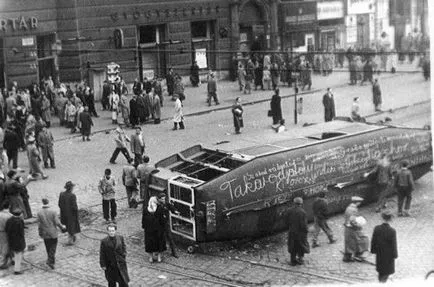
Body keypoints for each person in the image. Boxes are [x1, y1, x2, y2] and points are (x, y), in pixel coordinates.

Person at [37, 198, 66, 269]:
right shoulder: (53, 211)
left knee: (48, 247)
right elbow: (57, 222)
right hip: (53, 232)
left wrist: (40, 232)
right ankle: (50, 261)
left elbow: (39, 224)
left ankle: (51, 261)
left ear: (42, 203)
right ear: (48, 202)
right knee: (53, 247)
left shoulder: (39, 213)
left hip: (44, 232)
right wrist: (62, 227)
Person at [371, 210, 398, 283]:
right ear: (390, 219)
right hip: (388, 256)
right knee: (386, 272)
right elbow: (393, 245)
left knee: (381, 272)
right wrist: (395, 255)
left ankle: (381, 281)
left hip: (380, 254)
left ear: (382, 218)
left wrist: (373, 250)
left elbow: (373, 241)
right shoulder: (392, 231)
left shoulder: (377, 228)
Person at [142, 193, 167, 263]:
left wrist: (163, 226)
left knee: (159, 243)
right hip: (149, 230)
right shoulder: (146, 210)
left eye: (154, 203)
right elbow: (143, 219)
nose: (153, 204)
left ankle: (159, 256)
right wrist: (144, 226)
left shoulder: (160, 208)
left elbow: (162, 219)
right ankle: (151, 257)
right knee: (150, 244)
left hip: (158, 229)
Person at [343, 196, 369, 262]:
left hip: (347, 227)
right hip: (351, 228)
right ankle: (348, 257)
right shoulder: (353, 210)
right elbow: (352, 220)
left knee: (349, 242)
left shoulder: (348, 208)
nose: (360, 204)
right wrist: (358, 226)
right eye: (359, 202)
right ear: (357, 202)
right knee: (353, 242)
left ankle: (350, 255)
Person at [286, 197, 309, 266]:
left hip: (292, 231)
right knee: (300, 245)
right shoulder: (302, 212)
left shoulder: (289, 210)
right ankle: (300, 259)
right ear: (301, 204)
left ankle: (292, 261)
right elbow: (304, 224)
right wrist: (306, 231)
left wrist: (289, 226)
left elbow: (285, 220)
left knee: (292, 245)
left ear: (294, 203)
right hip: (300, 233)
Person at [58, 181, 81, 245]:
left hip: (63, 214)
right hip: (71, 214)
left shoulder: (61, 194)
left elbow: (59, 204)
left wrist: (63, 210)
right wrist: (76, 214)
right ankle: (70, 241)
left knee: (67, 226)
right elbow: (74, 207)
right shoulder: (72, 195)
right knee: (72, 226)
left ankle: (71, 237)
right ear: (71, 188)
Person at [5, 208, 25, 274]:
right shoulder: (20, 221)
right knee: (18, 255)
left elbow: (6, 229)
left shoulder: (9, 220)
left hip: (11, 239)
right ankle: (17, 270)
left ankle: (13, 261)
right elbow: (21, 233)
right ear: (20, 214)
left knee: (13, 252)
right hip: (18, 241)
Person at [0, 201, 12, 269]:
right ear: (9, 206)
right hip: (5, 233)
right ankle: (2, 263)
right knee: (6, 247)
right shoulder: (9, 216)